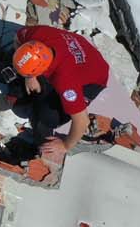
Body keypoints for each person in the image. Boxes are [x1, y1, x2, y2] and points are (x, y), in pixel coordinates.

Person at [11, 25, 111, 164]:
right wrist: (29, 76)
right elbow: (17, 40)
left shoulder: (65, 82)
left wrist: (65, 145)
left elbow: (82, 121)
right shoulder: (36, 34)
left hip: (94, 77)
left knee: (48, 117)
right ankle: (30, 89)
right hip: (79, 52)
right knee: (13, 67)